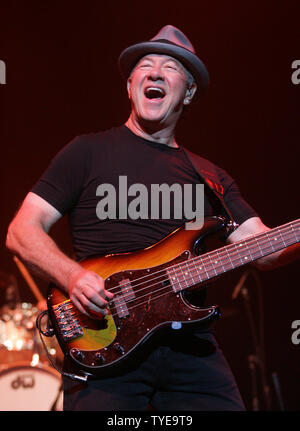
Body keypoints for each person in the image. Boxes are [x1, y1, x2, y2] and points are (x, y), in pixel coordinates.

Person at [6, 25, 299, 411]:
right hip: (104, 339)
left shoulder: (209, 176)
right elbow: (21, 230)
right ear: (130, 86)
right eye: (145, 65)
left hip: (188, 347)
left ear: (189, 92)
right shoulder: (87, 152)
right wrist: (72, 276)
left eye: (170, 67)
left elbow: (262, 248)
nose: (155, 73)